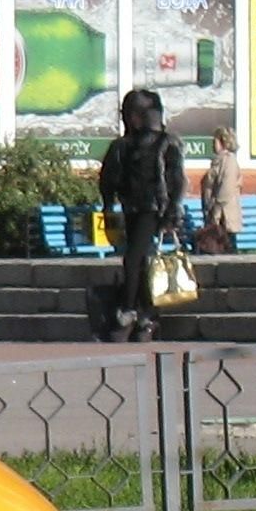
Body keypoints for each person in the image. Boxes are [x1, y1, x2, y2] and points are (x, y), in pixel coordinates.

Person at [97, 88, 185, 342]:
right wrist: (108, 203)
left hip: (153, 209)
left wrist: (171, 211)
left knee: (134, 259)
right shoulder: (123, 145)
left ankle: (129, 310)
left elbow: (175, 179)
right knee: (141, 262)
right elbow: (108, 178)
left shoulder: (164, 143)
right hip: (132, 208)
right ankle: (146, 314)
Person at [199, 124, 244, 254]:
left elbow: (226, 188)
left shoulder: (229, 161)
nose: (213, 144)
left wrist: (216, 209)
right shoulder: (218, 161)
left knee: (226, 248)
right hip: (216, 215)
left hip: (224, 216)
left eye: (215, 141)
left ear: (223, 142)